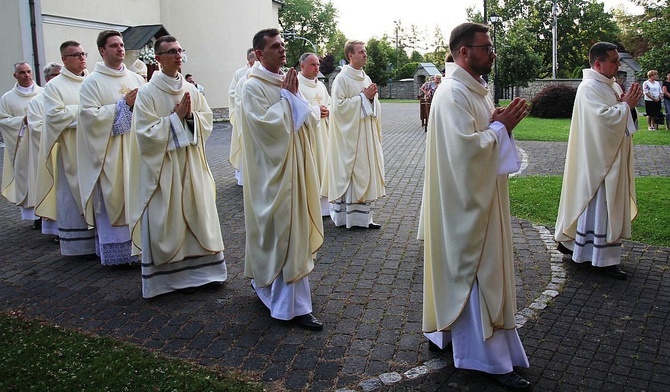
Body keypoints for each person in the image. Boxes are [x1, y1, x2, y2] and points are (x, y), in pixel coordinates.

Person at [418, 22, 532, 391]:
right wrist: (499, 129)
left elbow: (481, 135)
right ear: (464, 52)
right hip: (464, 206)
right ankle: (487, 360)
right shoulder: (452, 93)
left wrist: (498, 124)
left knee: (481, 268)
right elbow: (465, 154)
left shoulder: (474, 90)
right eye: (486, 47)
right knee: (477, 268)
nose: (492, 53)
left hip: (482, 200)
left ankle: (460, 340)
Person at [128, 35, 226, 298]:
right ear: (158, 59)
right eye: (171, 52)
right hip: (164, 168)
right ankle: (166, 280)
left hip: (191, 164)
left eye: (180, 50)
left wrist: (191, 117)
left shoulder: (192, 89)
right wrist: (175, 119)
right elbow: (144, 134)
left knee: (200, 211)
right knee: (166, 216)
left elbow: (206, 121)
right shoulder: (148, 92)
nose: (177, 55)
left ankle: (206, 273)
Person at [240, 28, 324, 331]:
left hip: (296, 170)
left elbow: (307, 119)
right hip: (272, 176)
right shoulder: (252, 88)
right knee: (281, 232)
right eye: (276, 47)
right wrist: (288, 99)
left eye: (284, 45)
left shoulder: (287, 82)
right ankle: (286, 302)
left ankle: (290, 299)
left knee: (295, 230)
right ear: (260, 54)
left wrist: (297, 101)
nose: (283, 50)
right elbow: (264, 129)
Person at [555, 42, 641, 280]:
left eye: (618, 60)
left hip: (609, 157)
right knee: (599, 205)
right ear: (598, 64)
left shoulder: (609, 84)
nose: (618, 64)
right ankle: (601, 259)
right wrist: (626, 106)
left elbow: (616, 116)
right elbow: (602, 122)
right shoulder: (590, 87)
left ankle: (581, 249)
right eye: (614, 61)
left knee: (601, 205)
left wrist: (626, 106)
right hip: (597, 162)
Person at [78, 30, 144, 266]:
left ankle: (140, 248)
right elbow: (89, 118)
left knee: (136, 195)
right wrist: (122, 105)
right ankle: (117, 255)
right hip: (109, 153)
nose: (120, 49)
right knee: (113, 198)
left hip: (134, 150)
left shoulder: (136, 79)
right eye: (114, 46)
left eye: (122, 45)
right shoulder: (91, 83)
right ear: (102, 51)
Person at [38, 41, 97, 256]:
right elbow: (54, 116)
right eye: (76, 55)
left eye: (83, 53)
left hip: (96, 148)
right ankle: (79, 246)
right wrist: (88, 112)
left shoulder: (92, 81)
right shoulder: (55, 86)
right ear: (64, 59)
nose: (82, 58)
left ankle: (102, 242)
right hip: (71, 150)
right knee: (73, 198)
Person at [323, 40, 385, 229]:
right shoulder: (342, 79)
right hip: (350, 138)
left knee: (365, 172)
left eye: (365, 52)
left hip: (366, 135)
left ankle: (364, 219)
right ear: (350, 55)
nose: (365, 55)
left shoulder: (365, 77)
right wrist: (363, 99)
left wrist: (372, 100)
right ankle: (347, 219)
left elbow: (374, 106)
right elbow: (338, 109)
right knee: (352, 172)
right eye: (361, 52)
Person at [0, 62, 43, 229]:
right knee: (28, 179)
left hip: (41, 144)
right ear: (15, 76)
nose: (26, 75)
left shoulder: (44, 93)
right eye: (22, 72)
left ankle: (47, 215)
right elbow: (3, 121)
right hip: (22, 146)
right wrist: (22, 121)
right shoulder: (7, 98)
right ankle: (35, 215)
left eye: (29, 71)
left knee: (43, 177)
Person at [26, 62, 61, 236]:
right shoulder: (37, 101)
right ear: (48, 79)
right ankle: (55, 229)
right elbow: (36, 127)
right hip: (50, 150)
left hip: (68, 150)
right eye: (56, 75)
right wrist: (60, 128)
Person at [298, 52, 331, 216]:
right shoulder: (296, 84)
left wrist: (328, 110)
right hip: (307, 136)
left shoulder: (321, 85)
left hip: (323, 134)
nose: (316, 68)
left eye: (318, 65)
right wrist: (317, 111)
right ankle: (310, 206)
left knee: (324, 165)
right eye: (312, 65)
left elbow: (330, 102)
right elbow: (297, 110)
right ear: (302, 66)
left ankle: (325, 207)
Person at [228, 48, 256, 186]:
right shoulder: (240, 75)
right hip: (244, 118)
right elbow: (233, 93)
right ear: (249, 61)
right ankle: (244, 177)